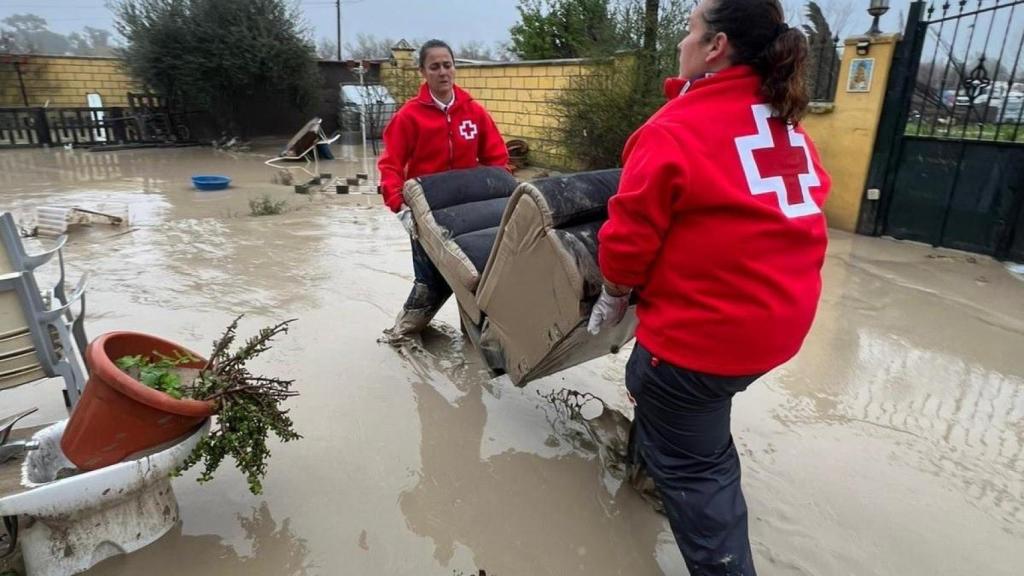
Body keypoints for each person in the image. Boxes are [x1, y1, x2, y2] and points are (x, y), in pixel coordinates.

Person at [586, 0, 831, 574]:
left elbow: (628, 238)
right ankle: (649, 469)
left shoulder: (676, 127)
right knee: (671, 399)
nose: (681, 42)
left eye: (689, 29)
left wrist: (614, 293)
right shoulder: (786, 123)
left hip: (707, 340)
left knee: (691, 452)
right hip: (780, 326)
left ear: (716, 47)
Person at [378, 39, 509, 341]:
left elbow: (497, 161)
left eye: (447, 65)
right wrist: (399, 206)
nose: (442, 72)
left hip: (470, 212)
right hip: (425, 213)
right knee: (432, 281)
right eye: (434, 66)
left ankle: (475, 344)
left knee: (474, 276)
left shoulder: (474, 112)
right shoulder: (409, 117)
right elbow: (390, 165)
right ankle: (402, 334)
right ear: (423, 72)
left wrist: (497, 198)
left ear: (455, 68)